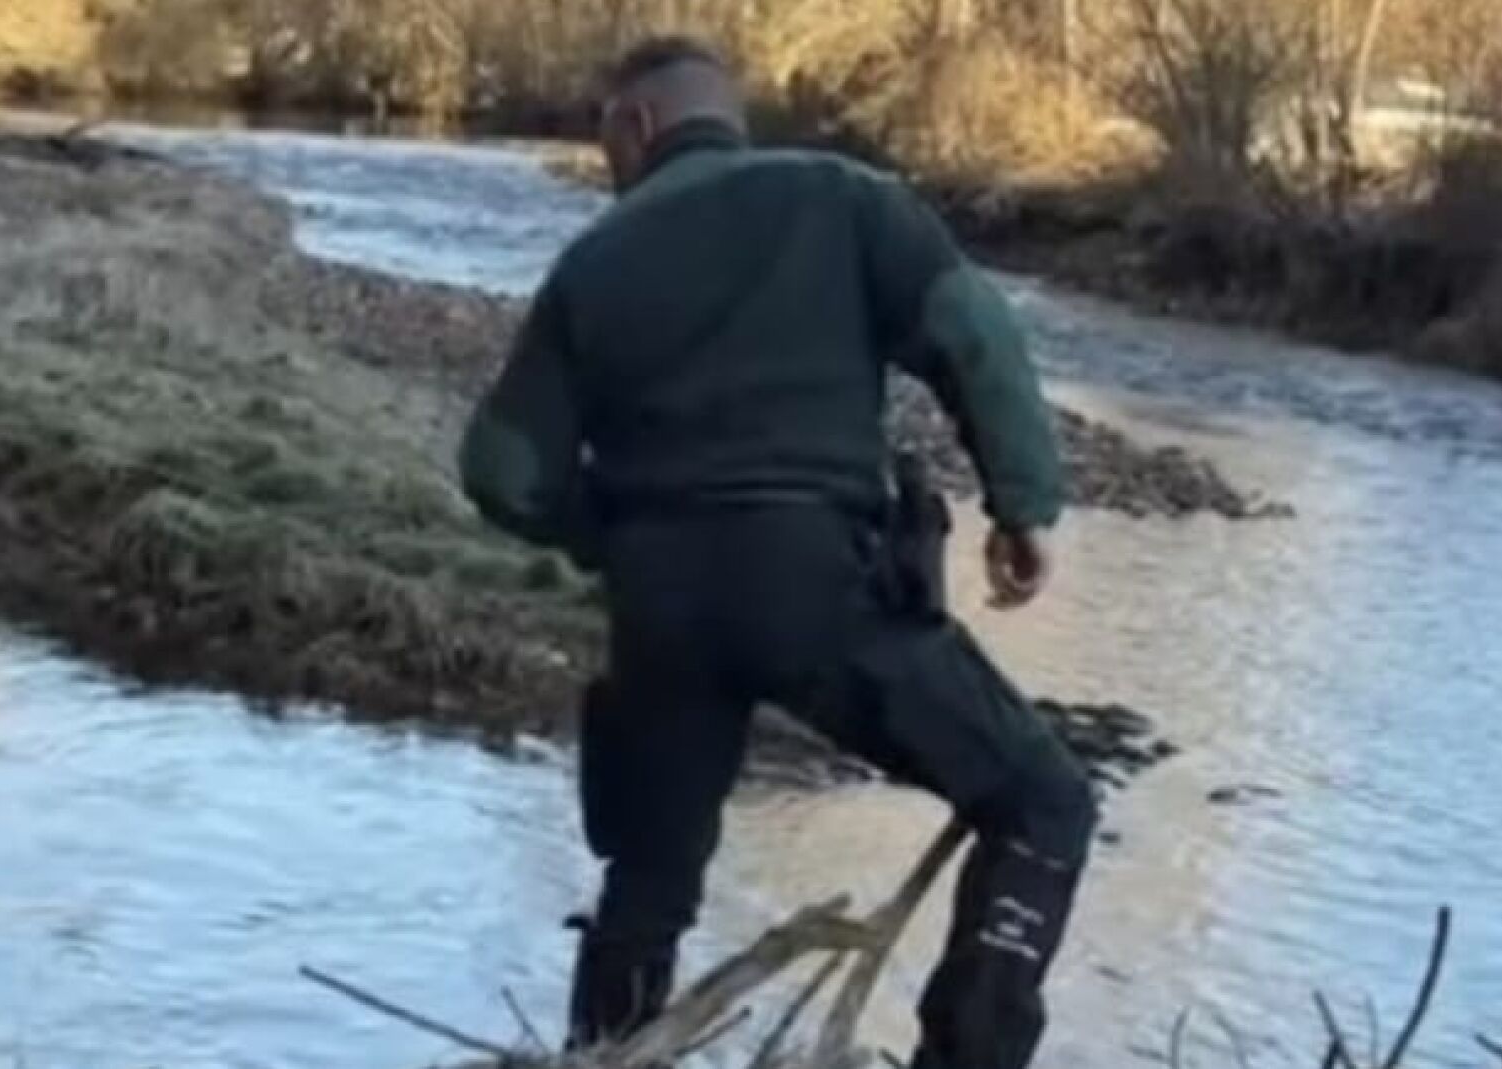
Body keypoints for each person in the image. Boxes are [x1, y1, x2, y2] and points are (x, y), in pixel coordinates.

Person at [457, 35, 1096, 1069]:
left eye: (605, 134)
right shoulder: (844, 198)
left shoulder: (593, 262)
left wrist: (612, 535)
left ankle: (604, 1055)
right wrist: (1022, 502)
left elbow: (500, 470)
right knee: (1044, 802)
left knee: (648, 881)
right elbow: (973, 331)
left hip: (660, 608)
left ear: (638, 124)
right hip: (818, 583)